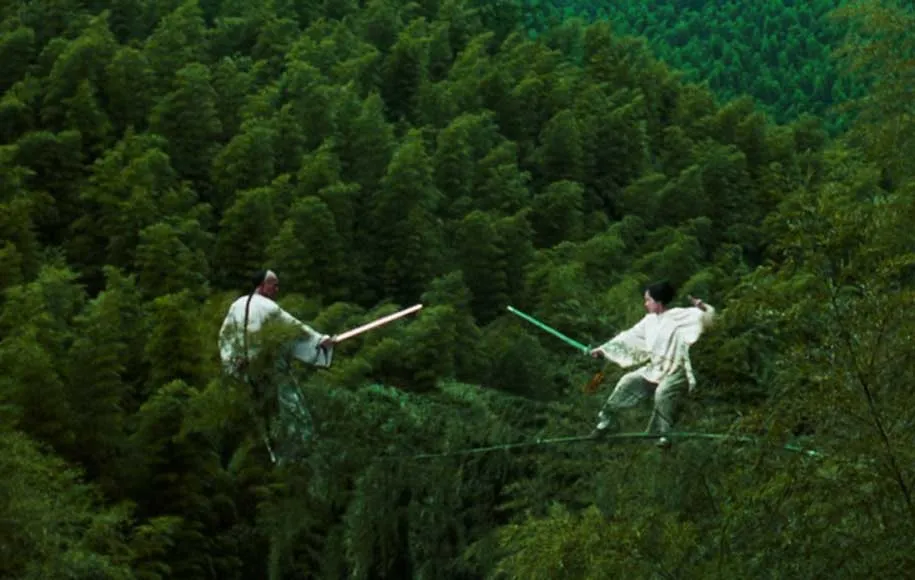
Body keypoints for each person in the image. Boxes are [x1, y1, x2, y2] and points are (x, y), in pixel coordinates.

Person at [219, 269, 335, 464]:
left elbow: (225, 337)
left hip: (246, 370)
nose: (276, 289)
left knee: (262, 414)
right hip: (270, 368)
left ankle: (276, 457)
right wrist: (319, 341)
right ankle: (300, 453)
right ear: (262, 285)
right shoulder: (268, 307)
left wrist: (232, 360)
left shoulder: (236, 305)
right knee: (291, 408)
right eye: (274, 285)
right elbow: (295, 328)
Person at [589, 281, 716, 449]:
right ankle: (606, 422)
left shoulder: (678, 315)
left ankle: (665, 435)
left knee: (662, 393)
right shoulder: (648, 321)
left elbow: (707, 318)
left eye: (648, 300)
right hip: (655, 368)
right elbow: (628, 337)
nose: (646, 304)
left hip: (676, 370)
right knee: (627, 382)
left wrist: (702, 306)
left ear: (659, 301)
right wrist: (603, 350)